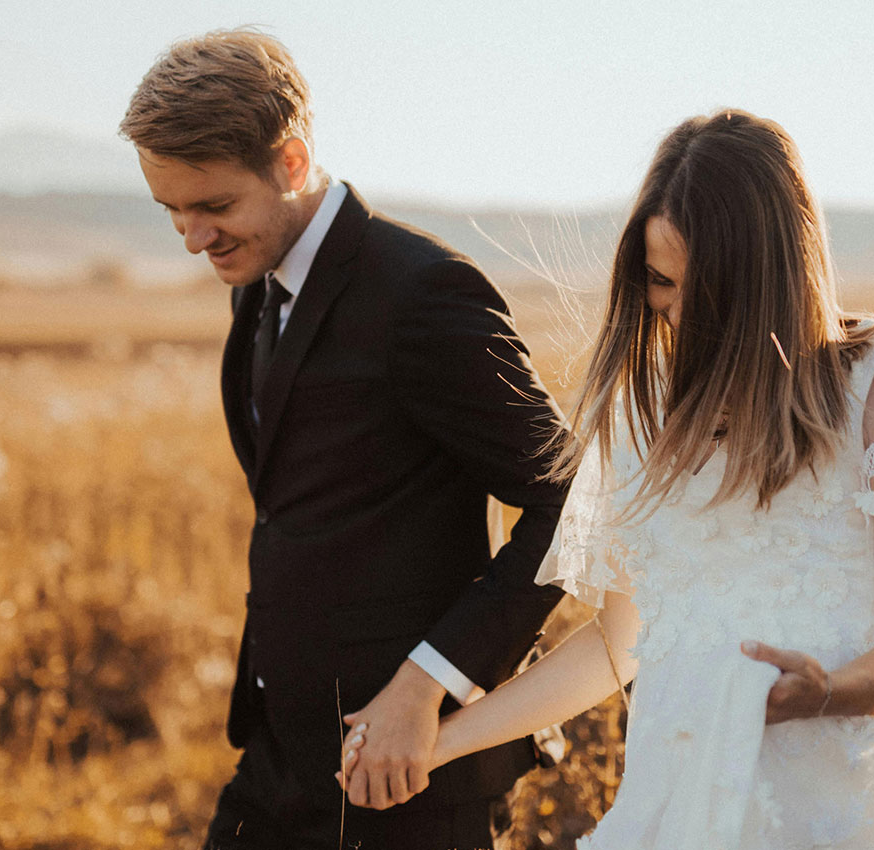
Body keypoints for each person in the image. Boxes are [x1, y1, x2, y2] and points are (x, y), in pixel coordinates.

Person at [343, 109, 874, 848]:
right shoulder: (643, 410)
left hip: (841, 803)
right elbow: (619, 643)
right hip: (674, 795)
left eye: (701, 289)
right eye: (658, 281)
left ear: (770, 273)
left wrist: (829, 694)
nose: (675, 311)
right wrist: (441, 740)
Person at [120, 29, 569, 850]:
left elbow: (574, 500)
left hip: (410, 772)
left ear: (290, 162)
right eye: (172, 211)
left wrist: (425, 685)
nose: (192, 238)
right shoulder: (258, 280)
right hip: (279, 755)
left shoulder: (423, 294)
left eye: (213, 206)